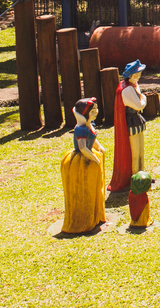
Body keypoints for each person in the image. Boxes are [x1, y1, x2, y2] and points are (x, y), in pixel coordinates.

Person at [61, 97, 106, 234]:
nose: (96, 112)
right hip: (82, 160)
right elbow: (82, 147)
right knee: (85, 187)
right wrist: (94, 158)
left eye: (96, 109)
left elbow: (93, 139)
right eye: (92, 110)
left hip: (91, 157)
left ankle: (96, 214)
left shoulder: (89, 125)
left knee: (96, 186)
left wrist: (99, 148)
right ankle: (85, 218)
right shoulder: (81, 129)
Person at [109, 60, 148, 192]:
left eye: (139, 73)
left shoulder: (134, 85)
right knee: (135, 151)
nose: (138, 76)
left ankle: (142, 173)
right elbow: (139, 105)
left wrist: (141, 100)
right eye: (136, 74)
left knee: (141, 149)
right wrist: (143, 99)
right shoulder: (126, 89)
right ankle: (136, 177)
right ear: (129, 75)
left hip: (137, 120)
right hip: (130, 123)